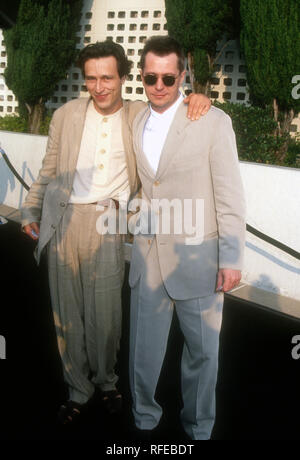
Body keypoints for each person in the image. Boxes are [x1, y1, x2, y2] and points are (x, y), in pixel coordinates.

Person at [21, 40, 211, 424]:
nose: (100, 86)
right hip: (63, 221)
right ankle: (78, 389)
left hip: (109, 222)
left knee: (106, 317)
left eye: (107, 77)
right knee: (67, 314)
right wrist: (30, 206)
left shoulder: (141, 114)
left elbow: (173, 105)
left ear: (125, 77)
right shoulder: (66, 115)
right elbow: (49, 169)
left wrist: (198, 97)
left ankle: (107, 381)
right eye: (91, 78)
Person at [129, 36, 246, 440]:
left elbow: (230, 194)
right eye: (149, 77)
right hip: (147, 259)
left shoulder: (213, 122)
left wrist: (231, 258)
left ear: (182, 75)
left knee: (202, 354)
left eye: (168, 77)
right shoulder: (135, 119)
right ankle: (144, 418)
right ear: (141, 78)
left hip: (199, 258)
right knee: (143, 352)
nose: (159, 86)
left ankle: (198, 428)